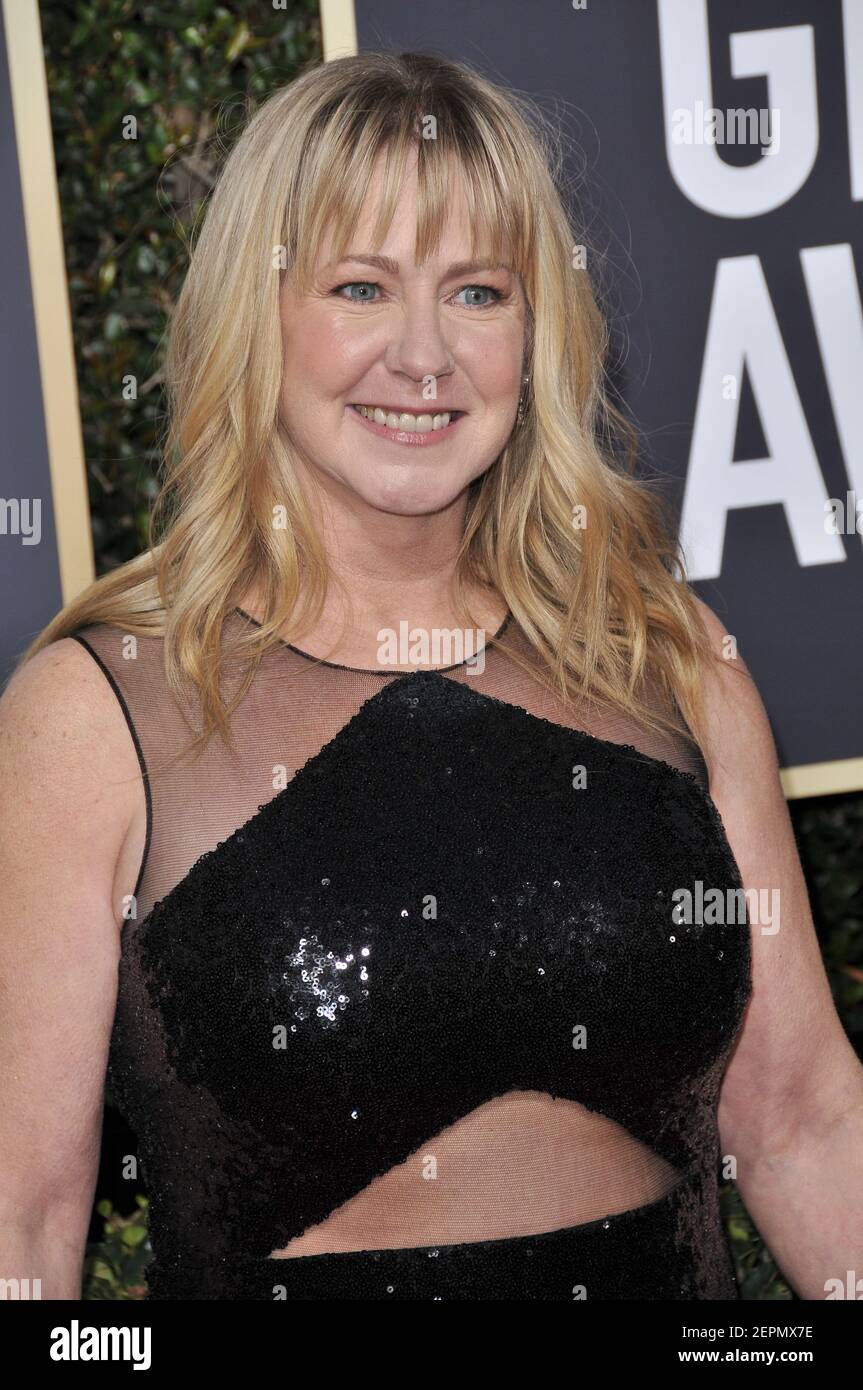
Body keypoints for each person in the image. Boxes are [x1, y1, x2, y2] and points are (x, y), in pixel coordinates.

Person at [1, 50, 860, 1302]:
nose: (423, 357)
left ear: (536, 328)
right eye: (361, 286)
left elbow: (800, 1122)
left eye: (475, 292)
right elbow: (20, 1235)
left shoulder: (662, 656)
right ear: (258, 316)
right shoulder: (97, 714)